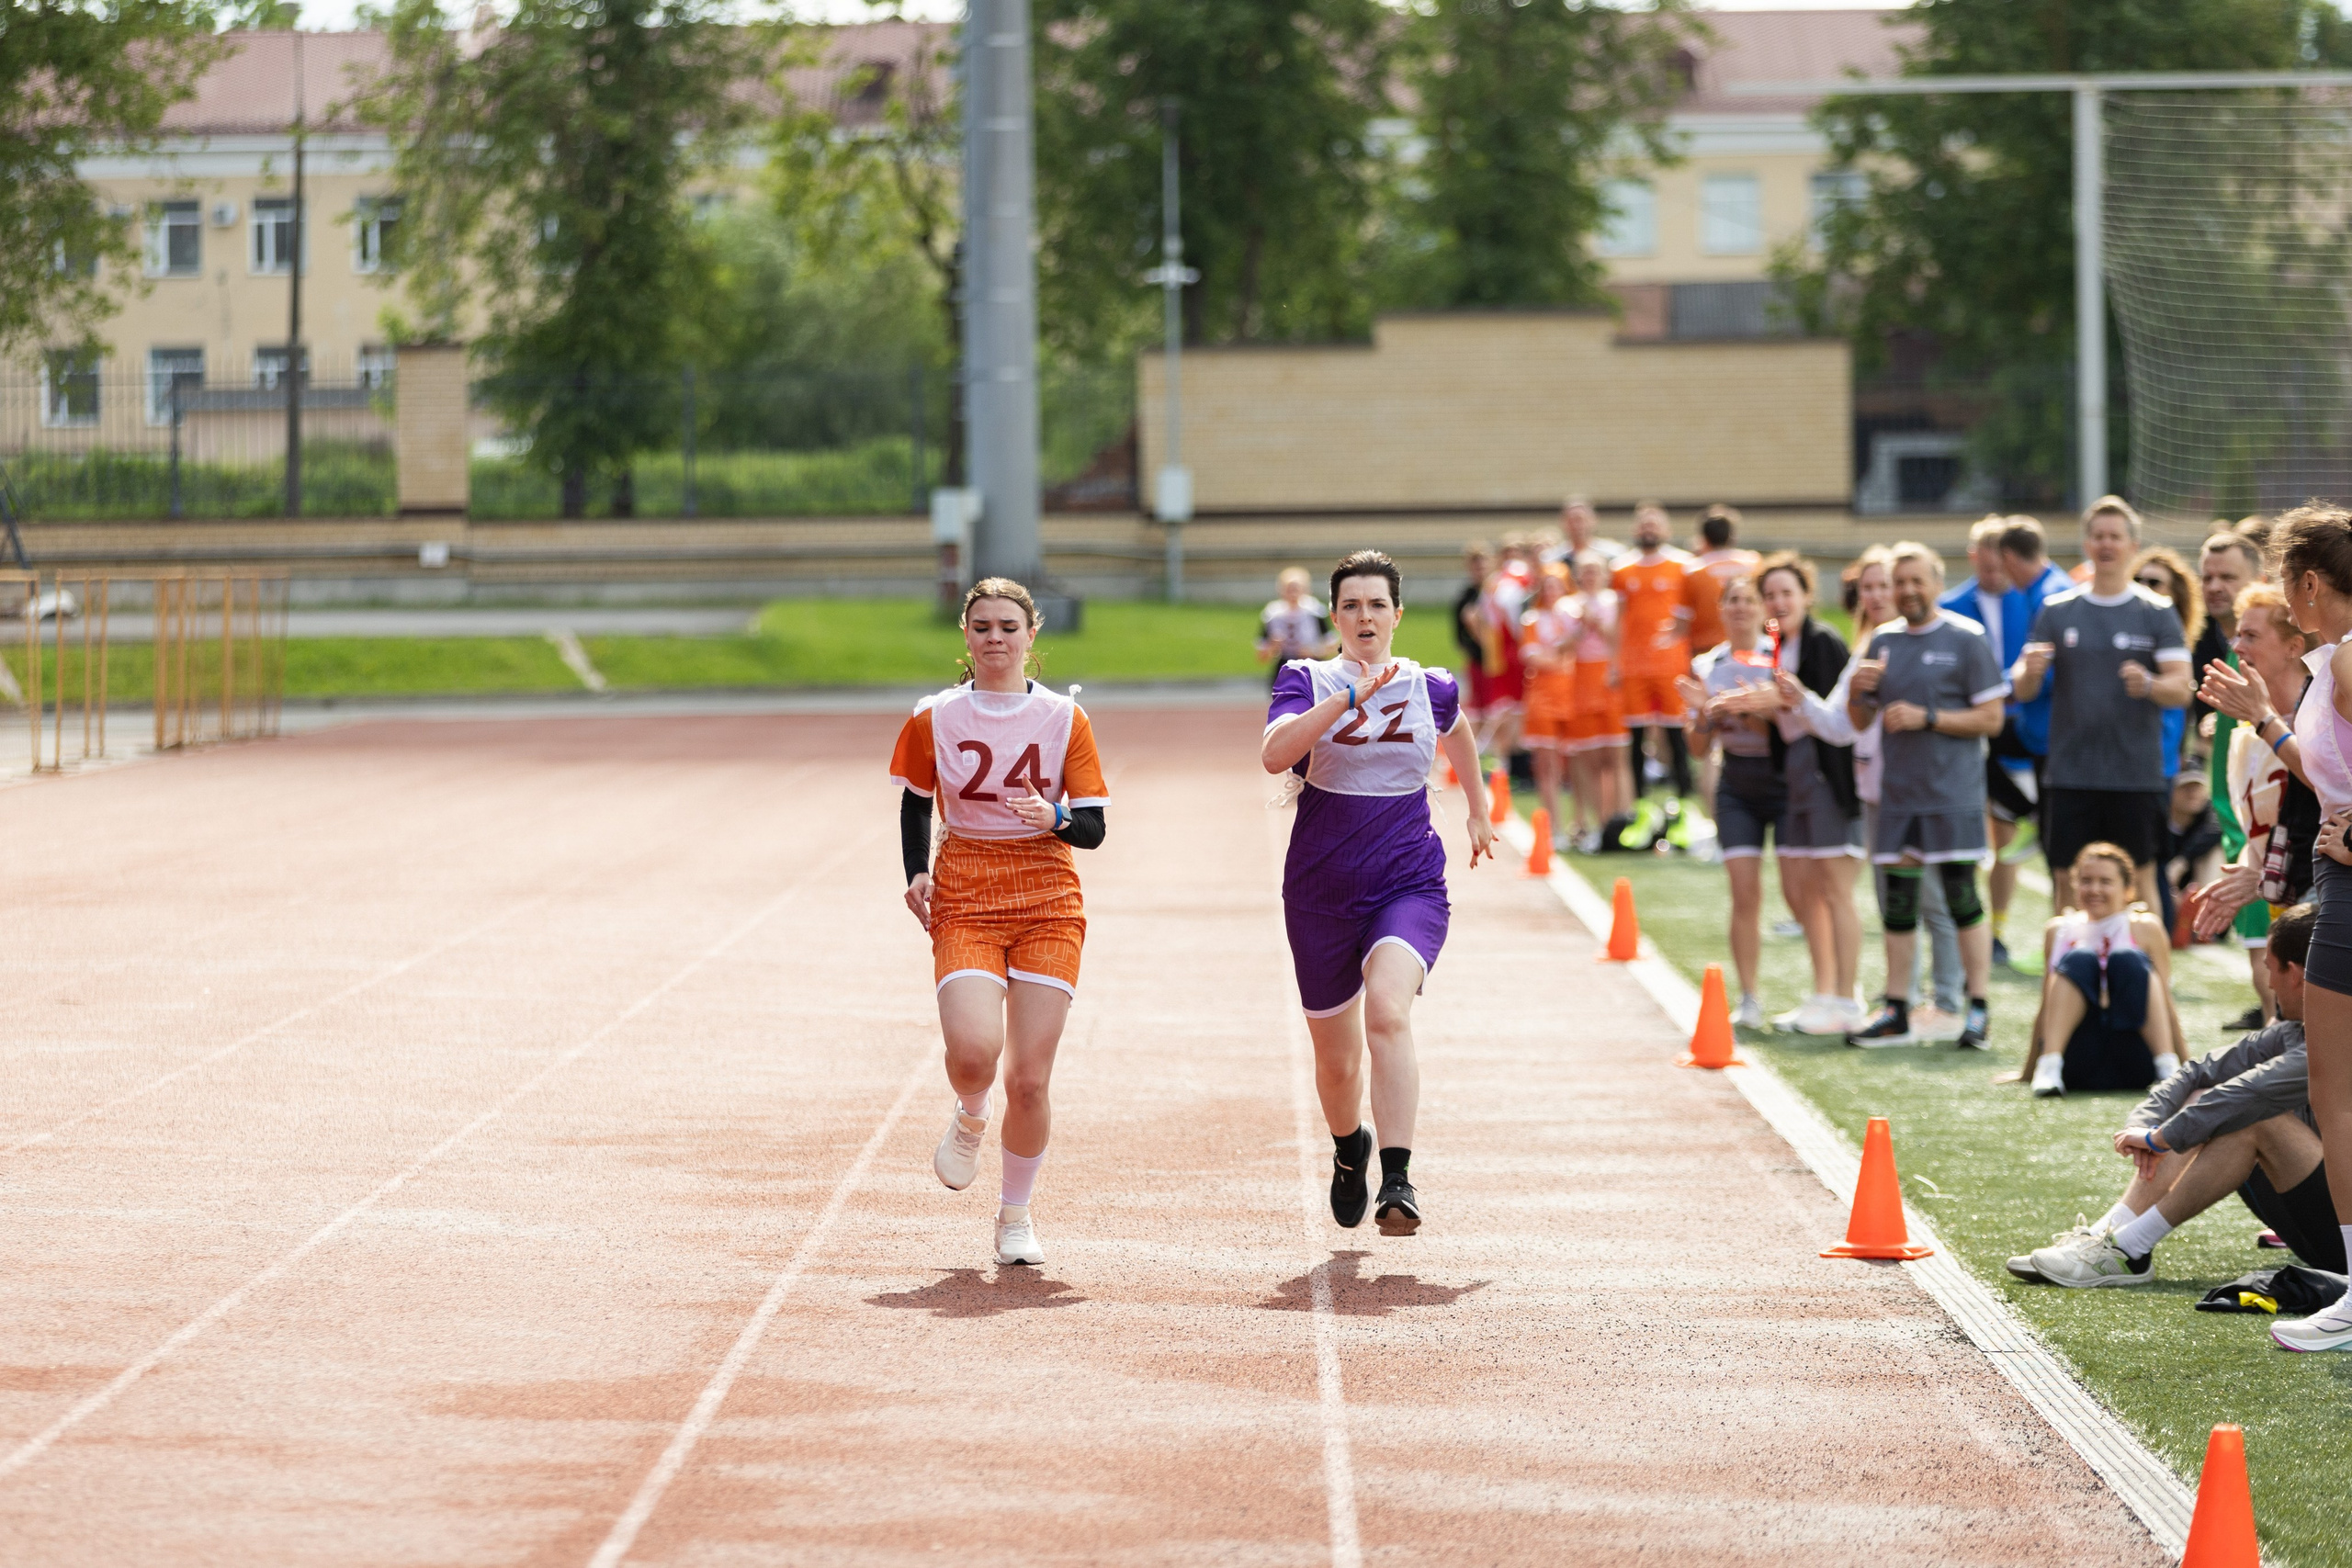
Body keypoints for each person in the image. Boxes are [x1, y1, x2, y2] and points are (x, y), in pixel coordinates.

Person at [1263, 549, 1496, 1237]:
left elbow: (1459, 735)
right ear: (1334, 615)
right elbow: (1276, 754)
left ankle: (1397, 1176)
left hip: (1407, 880)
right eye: (1352, 605)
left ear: (1398, 614)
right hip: (1320, 888)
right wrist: (1347, 698)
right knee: (1336, 1065)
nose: (1365, 616)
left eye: (1377, 605)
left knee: (1388, 1013)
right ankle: (1349, 1148)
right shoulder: (1305, 677)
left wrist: (1479, 809)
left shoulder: (1433, 685)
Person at [891, 578, 1111, 1268]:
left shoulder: (1064, 719)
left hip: (1047, 892)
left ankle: (1015, 1215)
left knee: (1031, 1079)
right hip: (966, 889)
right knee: (973, 1053)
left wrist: (1057, 818)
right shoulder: (935, 715)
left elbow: (1095, 827)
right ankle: (971, 1113)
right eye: (982, 626)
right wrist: (916, 871)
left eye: (1008, 626)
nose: (995, 638)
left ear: (1031, 635)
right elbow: (917, 802)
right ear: (966, 634)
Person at [2007, 904, 2337, 1288]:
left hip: (2342, 1243)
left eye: (2269, 967)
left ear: (2294, 974)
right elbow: (2198, 1071)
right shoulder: (2295, 1029)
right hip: (2325, 1222)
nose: (2265, 981)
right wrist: (2144, 1122)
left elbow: (2248, 1092)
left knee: (2253, 1117)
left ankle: (2128, 1248)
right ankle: (2109, 1235)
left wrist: (2159, 1138)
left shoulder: (2333, 1039)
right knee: (2205, 1095)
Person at [1844, 543, 2007, 1051]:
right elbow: (1860, 721)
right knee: (1898, 904)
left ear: (1938, 583)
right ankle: (1896, 1007)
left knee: (1961, 898)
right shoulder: (1882, 640)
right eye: (1900, 582)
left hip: (1952, 796)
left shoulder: (1967, 639)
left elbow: (1992, 718)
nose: (1908, 591)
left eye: (1918, 580)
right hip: (1899, 798)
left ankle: (1976, 1006)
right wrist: (1856, 692)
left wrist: (1928, 717)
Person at [1809, 548, 1966, 1038]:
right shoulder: (1870, 647)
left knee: (1937, 898)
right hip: (1878, 789)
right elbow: (1843, 724)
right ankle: (1904, 998)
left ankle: (1948, 1000)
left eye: (1887, 586)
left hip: (1928, 787)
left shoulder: (1936, 641)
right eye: (1872, 588)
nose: (1880, 596)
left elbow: (1972, 711)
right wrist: (1800, 699)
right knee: (1893, 898)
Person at [2009, 497, 2194, 914]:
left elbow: (2182, 689)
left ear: (2133, 544)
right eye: (2098, 536)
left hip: (2135, 773)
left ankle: (2150, 975)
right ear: (2086, 545)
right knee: (2067, 878)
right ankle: (2073, 973)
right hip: (2071, 772)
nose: (2106, 544)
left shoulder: (2157, 612)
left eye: (2115, 536)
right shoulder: (2057, 610)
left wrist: (2148, 683)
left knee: (2141, 877)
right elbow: (2022, 689)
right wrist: (2032, 672)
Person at [2264, 503, 2352, 1352]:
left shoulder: (2351, 660)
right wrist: (2263, 720)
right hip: (2340, 884)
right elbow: (2328, 771)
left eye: (2286, 585)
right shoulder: (2331, 665)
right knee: (2336, 1090)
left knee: (2340, 1091)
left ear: (2311, 584)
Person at [2195, 586, 2325, 1027]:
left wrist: (2265, 721)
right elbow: (2259, 831)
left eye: (2251, 635)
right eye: (2237, 635)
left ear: (2293, 647)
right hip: (2286, 897)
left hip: (2324, 892)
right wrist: (2252, 876)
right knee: (2283, 1019)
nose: (2237, 647)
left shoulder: (2322, 713)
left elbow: (2326, 782)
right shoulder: (2245, 739)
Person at [1752, 553, 1866, 1034]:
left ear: (1806, 596)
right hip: (1792, 773)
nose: (1778, 602)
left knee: (1835, 888)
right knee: (1802, 890)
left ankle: (1847, 996)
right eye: (1770, 595)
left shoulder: (1822, 642)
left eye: (1786, 593)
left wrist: (1748, 699)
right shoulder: (1775, 644)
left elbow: (1838, 717)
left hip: (1826, 772)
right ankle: (1823, 992)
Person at [1681, 574, 1781, 1030]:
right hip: (1737, 781)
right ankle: (1750, 996)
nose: (1740, 608)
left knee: (1805, 892)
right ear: (1720, 609)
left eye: (1749, 600)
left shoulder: (1778, 657)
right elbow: (1699, 749)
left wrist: (1739, 709)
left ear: (1763, 609)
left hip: (1785, 779)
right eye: (1733, 601)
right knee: (1745, 893)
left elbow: (1785, 731)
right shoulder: (1706, 664)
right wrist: (1705, 715)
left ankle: (1832, 990)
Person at [1940, 517, 2038, 969]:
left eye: (2001, 551)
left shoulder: (2035, 599)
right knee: (1966, 837)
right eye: (1985, 551)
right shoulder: (1951, 605)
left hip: (2018, 734)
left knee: (2008, 836)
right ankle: (1964, 925)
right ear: (1972, 554)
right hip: (1965, 734)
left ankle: (1995, 928)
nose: (1994, 561)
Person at [2022, 843, 2181, 1097]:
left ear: (2127, 890)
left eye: (2105, 881)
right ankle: (2049, 1068)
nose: (2094, 889)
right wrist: (2028, 1071)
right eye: (2086, 881)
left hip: (2133, 1054)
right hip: (2079, 1058)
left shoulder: (2145, 927)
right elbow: (2047, 1005)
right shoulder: (2058, 929)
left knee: (2127, 958)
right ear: (2075, 886)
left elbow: (2164, 1002)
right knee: (2080, 957)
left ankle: (2167, 1068)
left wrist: (2186, 1068)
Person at [2197, 530, 2272, 1024]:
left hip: (2271, 837)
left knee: (2278, 977)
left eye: (2230, 576)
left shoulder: (2271, 656)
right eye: (2207, 576)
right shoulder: (2230, 654)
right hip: (2238, 832)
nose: (2216, 586)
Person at [1611, 502, 1696, 818]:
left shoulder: (1683, 565)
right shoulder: (1621, 569)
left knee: (1676, 736)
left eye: (1655, 524)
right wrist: (1614, 662)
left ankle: (1685, 804)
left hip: (1671, 665)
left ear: (1667, 529)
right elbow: (1618, 619)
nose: (1649, 529)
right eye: (1644, 524)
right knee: (1635, 737)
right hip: (1634, 666)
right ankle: (1641, 806)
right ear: (1636, 529)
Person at [1564, 549, 1631, 845]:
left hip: (1609, 678)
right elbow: (1561, 647)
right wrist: (1580, 627)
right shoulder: (1568, 606)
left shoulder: (1615, 602)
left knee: (1617, 755)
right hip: (1580, 681)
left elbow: (1620, 640)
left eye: (1595, 570)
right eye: (1585, 571)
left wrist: (1596, 623)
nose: (1590, 577)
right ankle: (1599, 823)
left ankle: (1624, 818)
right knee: (1587, 756)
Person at [1519, 566, 1580, 850]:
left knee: (1577, 764)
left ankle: (1580, 824)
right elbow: (1533, 657)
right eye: (1547, 585)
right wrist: (1561, 654)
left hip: (1573, 695)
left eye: (1558, 585)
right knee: (1547, 765)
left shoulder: (1574, 614)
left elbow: (1581, 648)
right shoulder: (1533, 619)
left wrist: (1557, 654)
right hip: (1543, 698)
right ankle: (1553, 827)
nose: (1552, 591)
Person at [1682, 504, 1762, 667]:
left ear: (1703, 538)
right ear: (1732, 536)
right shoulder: (1754, 563)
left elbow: (1684, 619)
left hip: (1705, 651)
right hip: (1751, 648)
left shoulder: (1692, 570)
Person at [1258, 567, 1337, 684]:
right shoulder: (1272, 614)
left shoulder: (1316, 611)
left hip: (1311, 667)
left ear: (1306, 589)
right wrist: (1273, 646)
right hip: (1284, 668)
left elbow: (1332, 646)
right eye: (1289, 589)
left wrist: (1313, 651)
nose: (1293, 593)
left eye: (1296, 588)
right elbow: (1262, 655)